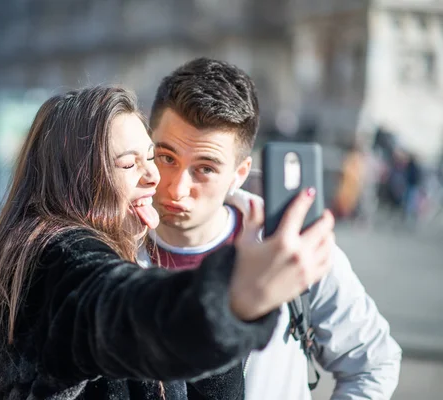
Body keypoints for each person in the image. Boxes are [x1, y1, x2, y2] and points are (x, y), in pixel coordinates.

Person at [0, 86, 335, 399]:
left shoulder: (15, 239)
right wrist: (234, 296)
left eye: (151, 157)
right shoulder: (57, 258)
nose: (153, 178)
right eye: (128, 164)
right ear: (77, 179)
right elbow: (120, 311)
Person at [146, 58, 402, 400]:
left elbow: (374, 362)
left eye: (205, 168)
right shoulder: (109, 248)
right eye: (167, 158)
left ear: (239, 174)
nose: (177, 189)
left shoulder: (293, 248)